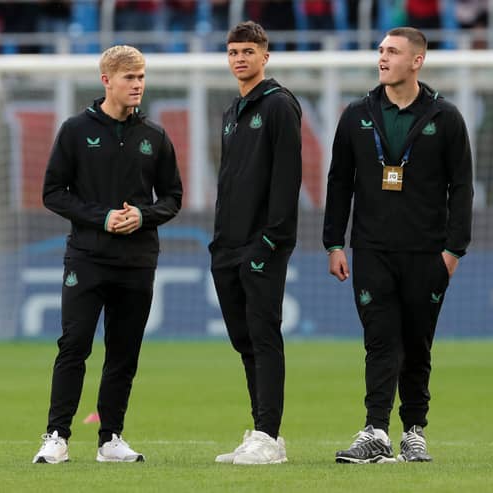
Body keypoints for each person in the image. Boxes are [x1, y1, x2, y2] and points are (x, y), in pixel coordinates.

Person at [323, 27, 473, 464]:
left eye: (392, 51)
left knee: (417, 342)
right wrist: (334, 242)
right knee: (380, 339)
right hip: (371, 250)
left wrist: (453, 250)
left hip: (428, 253)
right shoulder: (356, 114)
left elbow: (461, 187)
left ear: (417, 61)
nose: (382, 58)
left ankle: (414, 431)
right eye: (381, 51)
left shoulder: (446, 118)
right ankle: (375, 430)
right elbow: (339, 183)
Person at [33, 45, 182, 464]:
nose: (137, 85)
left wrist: (143, 215)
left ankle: (110, 438)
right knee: (74, 345)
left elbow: (173, 197)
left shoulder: (155, 136)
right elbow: (53, 193)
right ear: (106, 81)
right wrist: (101, 219)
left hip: (137, 261)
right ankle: (56, 436)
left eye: (141, 78)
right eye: (129, 78)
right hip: (87, 258)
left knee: (123, 352)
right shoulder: (76, 130)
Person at [209, 21, 302, 465]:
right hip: (227, 245)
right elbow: (230, 181)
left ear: (266, 56)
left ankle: (269, 434)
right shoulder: (233, 111)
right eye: (233, 52)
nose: (239, 59)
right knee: (244, 341)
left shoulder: (279, 105)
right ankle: (262, 434)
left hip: (261, 245)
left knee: (264, 337)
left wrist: (270, 239)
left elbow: (288, 179)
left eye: (248, 51)